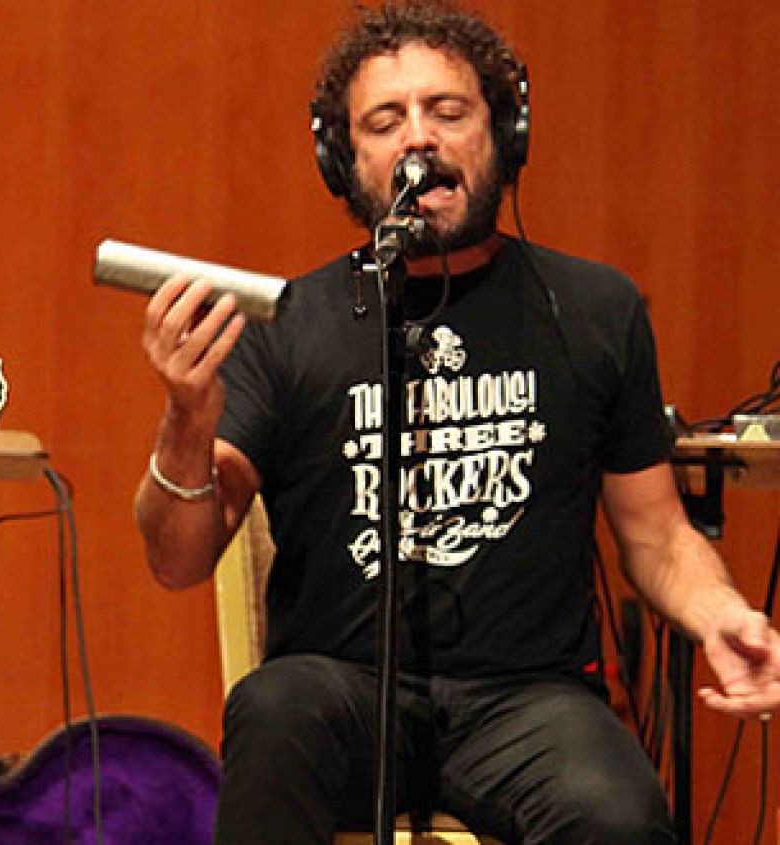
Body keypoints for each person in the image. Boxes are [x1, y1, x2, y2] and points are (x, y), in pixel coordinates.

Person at [134, 1, 780, 842]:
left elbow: (655, 534)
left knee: (619, 813)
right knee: (274, 704)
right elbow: (177, 559)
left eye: (448, 112)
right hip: (346, 692)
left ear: (503, 135)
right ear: (343, 157)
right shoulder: (290, 324)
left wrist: (721, 612)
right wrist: (186, 417)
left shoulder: (594, 309)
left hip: (532, 700)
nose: (419, 141)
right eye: (384, 121)